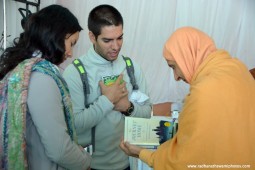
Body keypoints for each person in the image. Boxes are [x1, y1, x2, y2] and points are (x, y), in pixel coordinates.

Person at [120, 27, 255, 169]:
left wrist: (141, 153)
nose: (176, 77)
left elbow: (182, 161)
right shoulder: (237, 68)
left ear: (187, 55)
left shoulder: (204, 91)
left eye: (173, 67)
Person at [0, 5, 92, 170]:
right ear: (56, 36)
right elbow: (59, 150)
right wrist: (87, 162)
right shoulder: (42, 78)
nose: (71, 53)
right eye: (71, 43)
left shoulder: (25, 69)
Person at [63, 4, 152, 170]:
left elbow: (147, 113)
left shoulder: (131, 67)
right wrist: (107, 101)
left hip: (128, 165)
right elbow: (74, 124)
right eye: (107, 40)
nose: (116, 46)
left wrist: (128, 107)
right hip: (88, 166)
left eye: (120, 38)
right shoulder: (74, 72)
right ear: (92, 37)